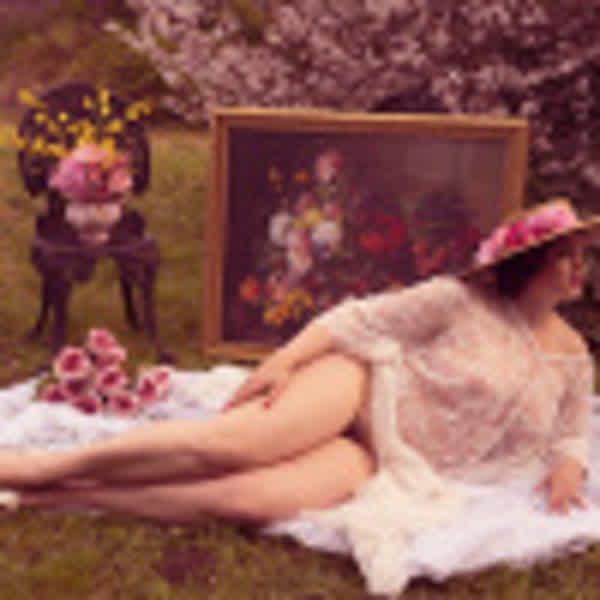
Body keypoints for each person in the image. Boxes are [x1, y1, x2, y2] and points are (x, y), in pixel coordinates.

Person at [0, 198, 598, 538]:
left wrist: (569, 468)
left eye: (583, 259)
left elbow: (573, 428)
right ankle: (37, 468)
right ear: (529, 263)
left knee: (251, 500)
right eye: (566, 257)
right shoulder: (460, 301)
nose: (581, 270)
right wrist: (284, 362)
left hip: (390, 459)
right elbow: (356, 319)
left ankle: (44, 499)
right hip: (363, 389)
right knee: (236, 446)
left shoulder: (574, 355)